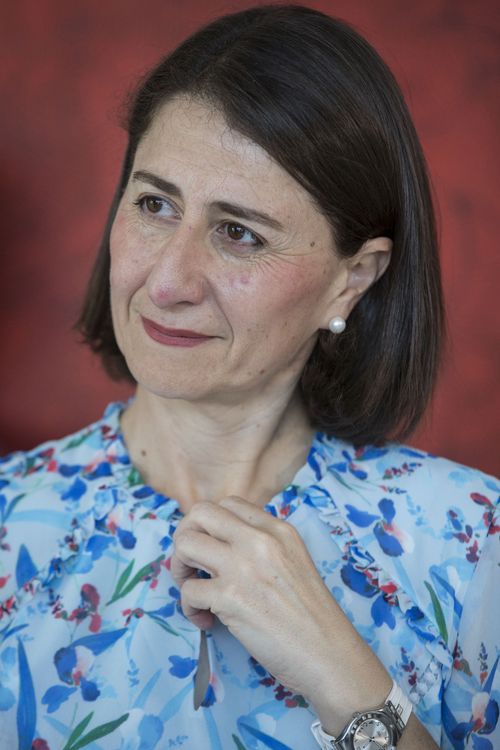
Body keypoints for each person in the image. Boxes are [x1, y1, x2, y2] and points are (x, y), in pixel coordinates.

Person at [0, 4, 498, 749]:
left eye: (239, 233)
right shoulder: (8, 526)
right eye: (155, 204)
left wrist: (347, 677)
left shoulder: (471, 543)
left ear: (351, 281)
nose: (167, 280)